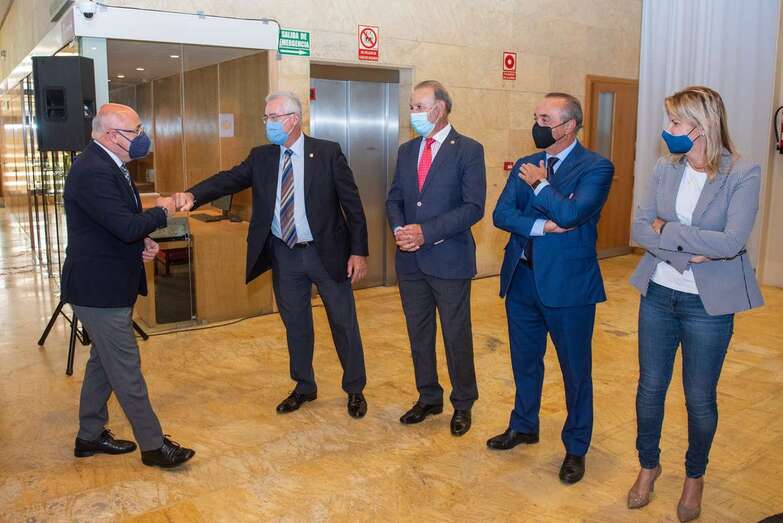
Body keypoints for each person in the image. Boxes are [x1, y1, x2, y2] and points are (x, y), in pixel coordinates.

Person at [173, 91, 370, 418]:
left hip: (326, 253)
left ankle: (354, 388)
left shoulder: (327, 152)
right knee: (296, 324)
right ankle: (304, 386)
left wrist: (358, 252)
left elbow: (353, 206)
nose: (268, 123)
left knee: (343, 322)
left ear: (294, 119)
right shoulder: (262, 157)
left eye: (274, 117)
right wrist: (194, 194)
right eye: (266, 117)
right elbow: (228, 179)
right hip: (285, 254)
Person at [627, 86, 763, 522]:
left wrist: (668, 232)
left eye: (675, 121)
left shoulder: (742, 172)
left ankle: (694, 476)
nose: (667, 129)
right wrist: (691, 246)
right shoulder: (664, 168)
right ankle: (648, 466)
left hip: (708, 305)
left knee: (699, 398)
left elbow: (731, 242)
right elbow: (639, 228)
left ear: (701, 126)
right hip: (658, 293)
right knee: (650, 388)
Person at [489, 93, 614, 484]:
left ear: (569, 125)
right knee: (525, 361)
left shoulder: (596, 167)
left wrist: (541, 187)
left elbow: (573, 214)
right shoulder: (525, 163)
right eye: (536, 116)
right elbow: (501, 214)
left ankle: (576, 447)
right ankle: (524, 424)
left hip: (569, 287)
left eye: (545, 118)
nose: (537, 125)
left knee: (575, 371)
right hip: (522, 278)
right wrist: (543, 225)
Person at [63, 103, 195, 468]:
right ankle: (153, 446)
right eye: (135, 131)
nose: (142, 137)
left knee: (103, 363)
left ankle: (89, 436)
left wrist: (142, 241)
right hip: (97, 288)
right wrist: (163, 209)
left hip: (107, 284)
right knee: (125, 367)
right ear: (111, 135)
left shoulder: (110, 164)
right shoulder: (93, 170)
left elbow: (115, 223)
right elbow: (124, 226)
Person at [386, 80, 486, 436]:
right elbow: (395, 198)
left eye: (418, 107)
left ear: (439, 109)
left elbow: (473, 207)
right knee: (419, 332)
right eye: (411, 107)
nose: (412, 113)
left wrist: (425, 232)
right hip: (409, 261)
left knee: (456, 334)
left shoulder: (468, 150)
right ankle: (428, 397)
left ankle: (463, 402)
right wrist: (400, 229)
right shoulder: (406, 151)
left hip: (449, 259)